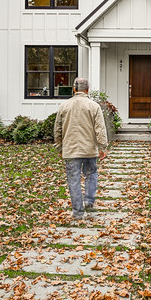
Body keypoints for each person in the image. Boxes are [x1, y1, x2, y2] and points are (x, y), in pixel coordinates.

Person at [54, 78, 109, 219]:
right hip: (89, 149)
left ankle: (78, 212)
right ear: (87, 89)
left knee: (74, 180)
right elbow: (100, 129)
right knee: (91, 173)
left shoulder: (64, 106)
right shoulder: (94, 106)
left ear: (74, 89)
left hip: (71, 149)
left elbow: (57, 129)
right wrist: (102, 147)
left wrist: (60, 147)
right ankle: (89, 201)